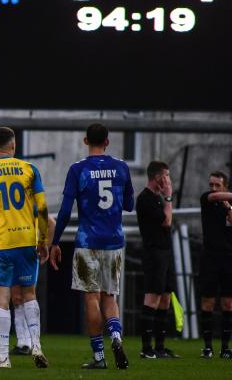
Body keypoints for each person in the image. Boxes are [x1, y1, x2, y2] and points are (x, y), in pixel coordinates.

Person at [50, 123, 133, 369]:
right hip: (114, 242)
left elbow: (65, 211)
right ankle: (116, 336)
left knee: (91, 298)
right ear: (107, 142)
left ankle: (99, 357)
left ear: (86, 141)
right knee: (110, 296)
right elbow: (128, 205)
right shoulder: (121, 167)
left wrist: (55, 242)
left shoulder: (78, 169)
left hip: (88, 242)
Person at [0, 127, 50, 369]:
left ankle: (4, 357)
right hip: (27, 241)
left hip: (0, 243)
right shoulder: (29, 169)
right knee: (29, 295)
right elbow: (43, 208)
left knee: (1, 300)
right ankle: (36, 345)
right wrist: (42, 239)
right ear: (14, 145)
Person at [135, 161, 179, 359]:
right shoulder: (145, 199)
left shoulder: (157, 198)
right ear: (158, 177)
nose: (168, 180)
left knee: (165, 297)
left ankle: (160, 347)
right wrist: (169, 197)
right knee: (152, 297)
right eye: (166, 176)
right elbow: (167, 220)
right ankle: (146, 348)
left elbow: (167, 225)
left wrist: (165, 199)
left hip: (165, 252)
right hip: (154, 254)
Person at [198, 171, 232, 358]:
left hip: (228, 258)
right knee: (208, 301)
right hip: (209, 257)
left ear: (225, 186)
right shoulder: (207, 199)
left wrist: (230, 209)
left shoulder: (229, 205)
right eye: (211, 184)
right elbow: (215, 197)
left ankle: (226, 347)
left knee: (228, 303)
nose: (213, 188)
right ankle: (208, 347)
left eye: (217, 185)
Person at [12, 216, 55, 356]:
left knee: (27, 295)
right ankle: (22, 342)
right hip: (11, 250)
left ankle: (31, 342)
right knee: (16, 298)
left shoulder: (31, 205)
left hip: (28, 253)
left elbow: (51, 224)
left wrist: (43, 245)